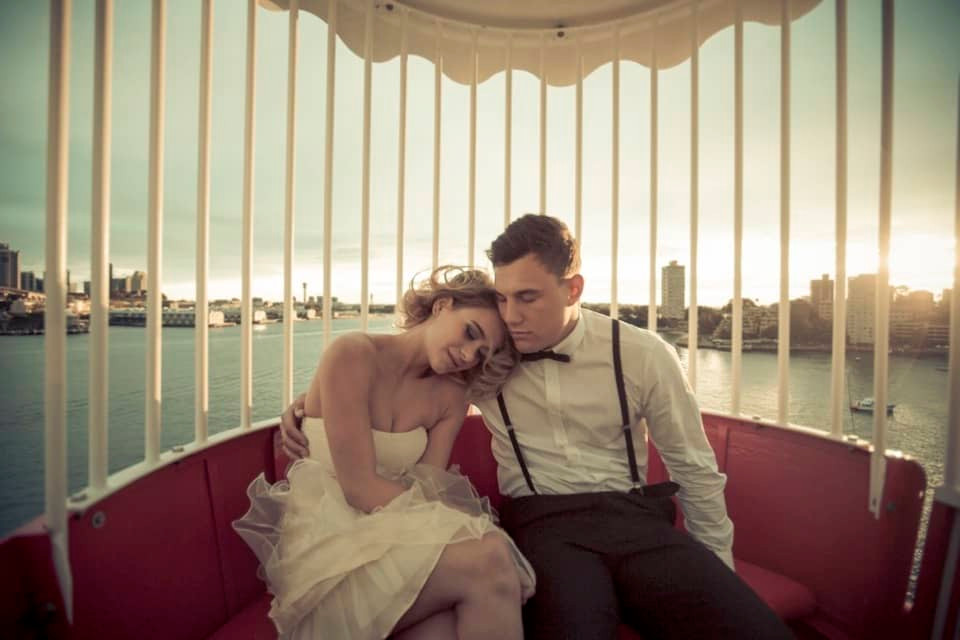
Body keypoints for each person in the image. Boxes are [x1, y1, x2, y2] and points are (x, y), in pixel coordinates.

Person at [281, 215, 793, 640]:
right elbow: (380, 379)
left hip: (637, 519)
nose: (511, 316)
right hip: (546, 525)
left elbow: (694, 469)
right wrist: (311, 402)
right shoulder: (482, 367)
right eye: (502, 298)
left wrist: (717, 571)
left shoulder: (641, 354)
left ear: (573, 288)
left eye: (526, 297)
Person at [234, 266, 535, 640]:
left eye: (481, 354)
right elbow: (358, 488)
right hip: (331, 547)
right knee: (491, 558)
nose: (468, 354)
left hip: (399, 536)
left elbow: (429, 484)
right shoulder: (353, 354)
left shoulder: (451, 397)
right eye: (470, 332)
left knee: (447, 628)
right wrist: (479, 537)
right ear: (442, 305)